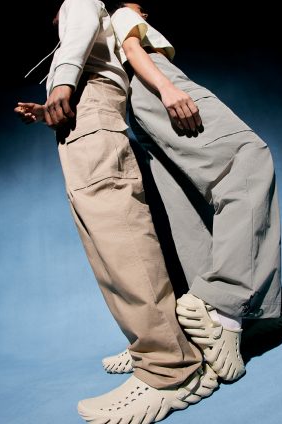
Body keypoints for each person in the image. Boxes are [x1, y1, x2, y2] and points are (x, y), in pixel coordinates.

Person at [15, 0, 218, 423]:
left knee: (120, 242)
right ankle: (162, 343)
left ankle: (172, 369)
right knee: (110, 245)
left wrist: (61, 85)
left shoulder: (78, 3)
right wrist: (51, 108)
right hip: (85, 118)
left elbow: (79, 35)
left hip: (92, 116)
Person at [102, 1, 282, 382]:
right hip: (154, 83)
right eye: (140, 7)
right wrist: (168, 88)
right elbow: (133, 48)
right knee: (249, 158)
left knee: (184, 209)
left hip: (136, 104)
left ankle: (174, 338)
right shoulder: (121, 15)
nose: (145, 12)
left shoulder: (101, 36)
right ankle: (223, 312)